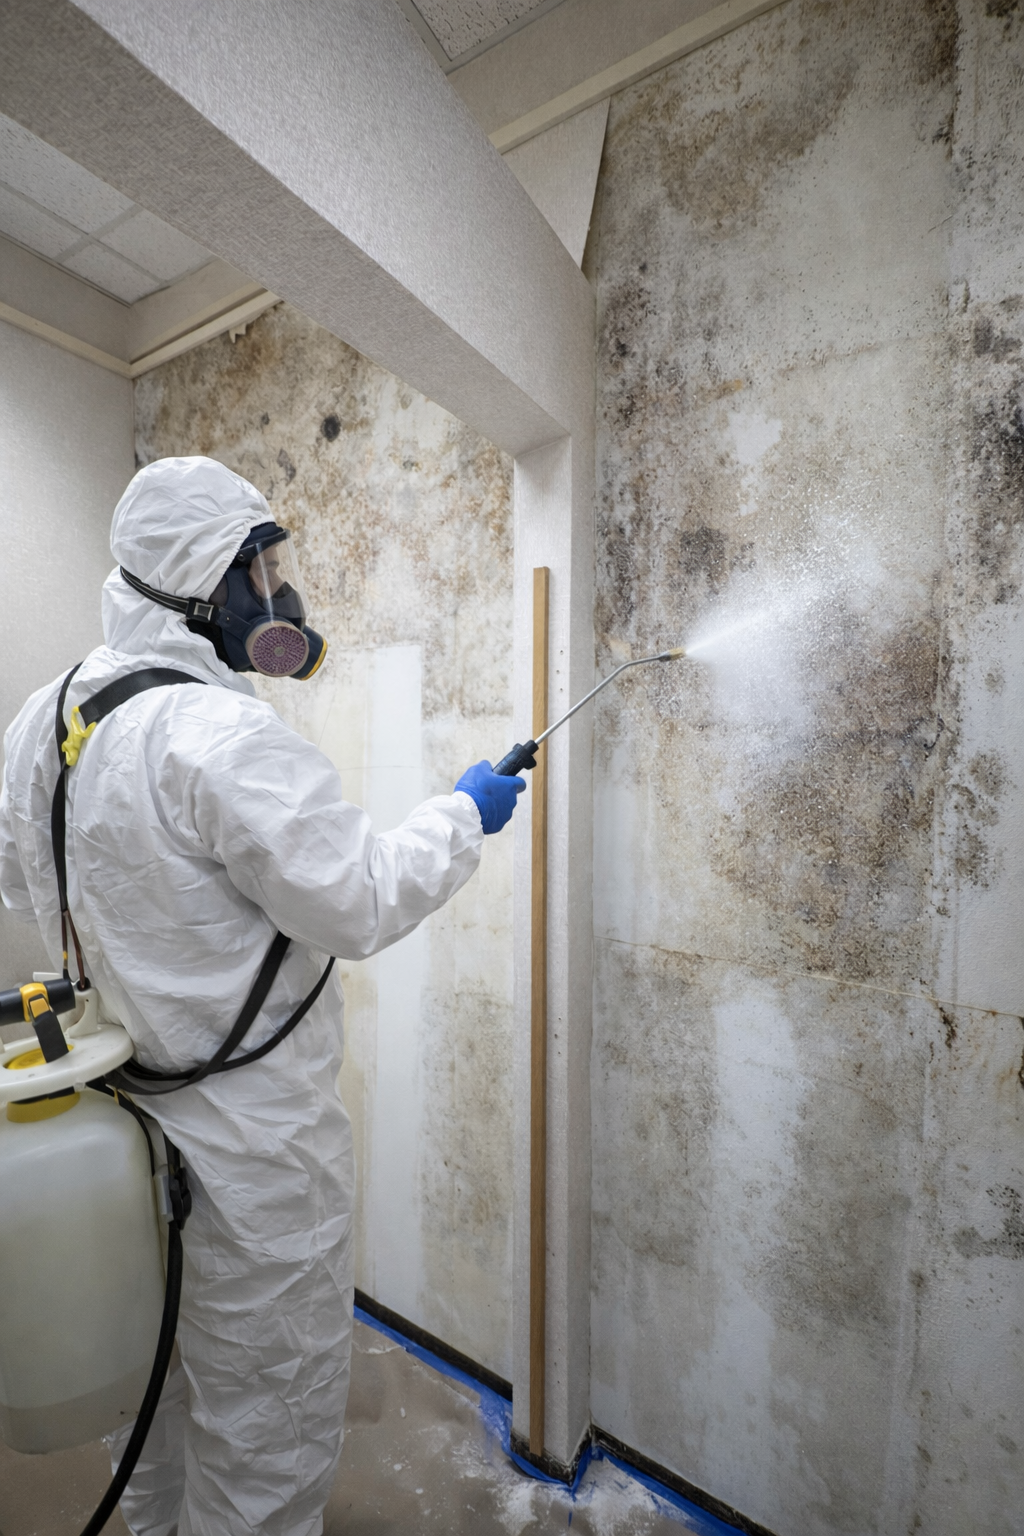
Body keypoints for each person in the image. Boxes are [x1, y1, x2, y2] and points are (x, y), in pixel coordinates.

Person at [0, 456, 525, 1536]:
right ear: (204, 578)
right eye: (262, 569)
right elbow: (358, 901)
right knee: (266, 1420)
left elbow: (20, 878)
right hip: (253, 1150)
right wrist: (462, 814)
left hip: (119, 1120)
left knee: (152, 1391)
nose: (279, 594)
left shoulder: (44, 719)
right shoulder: (222, 735)